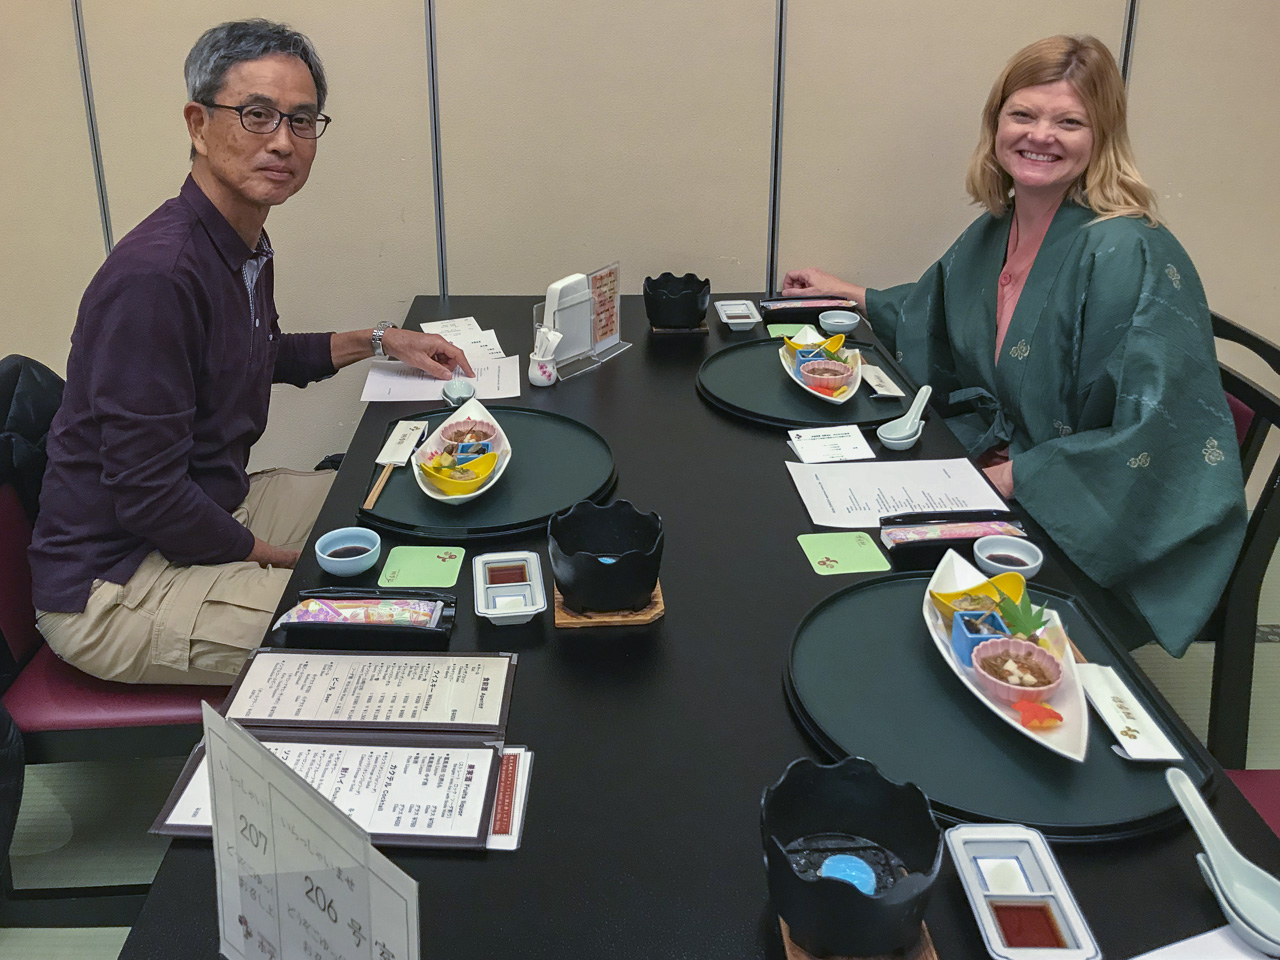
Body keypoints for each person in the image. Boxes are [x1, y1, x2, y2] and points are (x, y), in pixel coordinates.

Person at [28, 19, 474, 685]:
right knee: (398, 623)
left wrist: (382, 340)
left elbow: (258, 354)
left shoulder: (240, 244)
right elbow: (146, 496)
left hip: (206, 506)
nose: (282, 142)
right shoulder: (156, 277)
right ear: (199, 124)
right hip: (117, 582)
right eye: (257, 115)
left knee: (405, 501)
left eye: (301, 121)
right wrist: (280, 558)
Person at [782, 35, 1246, 657]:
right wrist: (851, 293)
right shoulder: (999, 225)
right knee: (816, 527)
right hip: (1000, 476)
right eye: (1023, 114)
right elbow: (935, 310)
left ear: (1101, 136)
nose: (1041, 135)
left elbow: (1163, 438)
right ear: (996, 124)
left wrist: (1019, 476)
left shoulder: (1128, 252)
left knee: (879, 601)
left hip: (1086, 524)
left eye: (1069, 122)